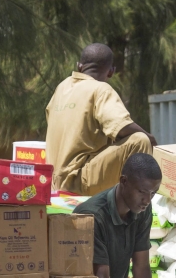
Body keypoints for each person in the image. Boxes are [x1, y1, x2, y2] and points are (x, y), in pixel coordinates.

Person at [45, 43, 156, 196]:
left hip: (53, 181)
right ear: (111, 72)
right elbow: (122, 126)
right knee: (140, 140)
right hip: (78, 181)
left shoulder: (61, 88)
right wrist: (151, 138)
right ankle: (135, 212)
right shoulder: (100, 89)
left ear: (79, 66)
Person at [73, 153, 161, 278]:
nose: (147, 200)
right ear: (124, 181)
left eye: (153, 193)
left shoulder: (142, 210)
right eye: (142, 192)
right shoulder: (92, 215)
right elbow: (100, 277)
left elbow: (141, 266)